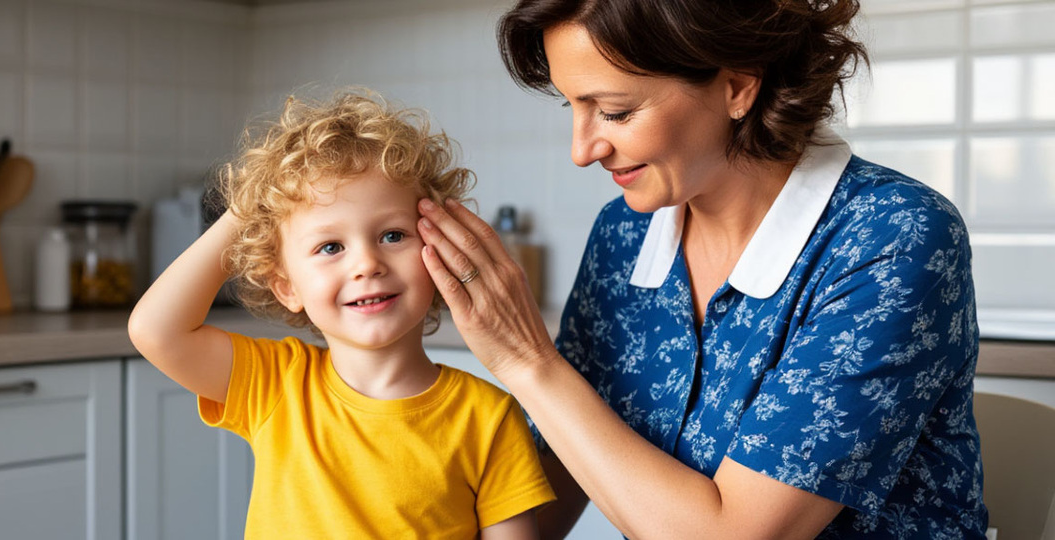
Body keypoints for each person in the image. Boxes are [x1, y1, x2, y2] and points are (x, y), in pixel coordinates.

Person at [413, 0, 987, 538]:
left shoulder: (892, 235)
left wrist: (526, 361)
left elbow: (733, 533)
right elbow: (552, 481)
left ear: (737, 86)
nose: (582, 149)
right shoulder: (624, 232)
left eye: (614, 111)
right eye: (574, 106)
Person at [128, 89, 555, 539]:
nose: (367, 264)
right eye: (330, 247)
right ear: (288, 287)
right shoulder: (275, 384)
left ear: (438, 247)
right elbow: (156, 331)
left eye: (392, 235)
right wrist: (248, 208)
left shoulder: (488, 417)